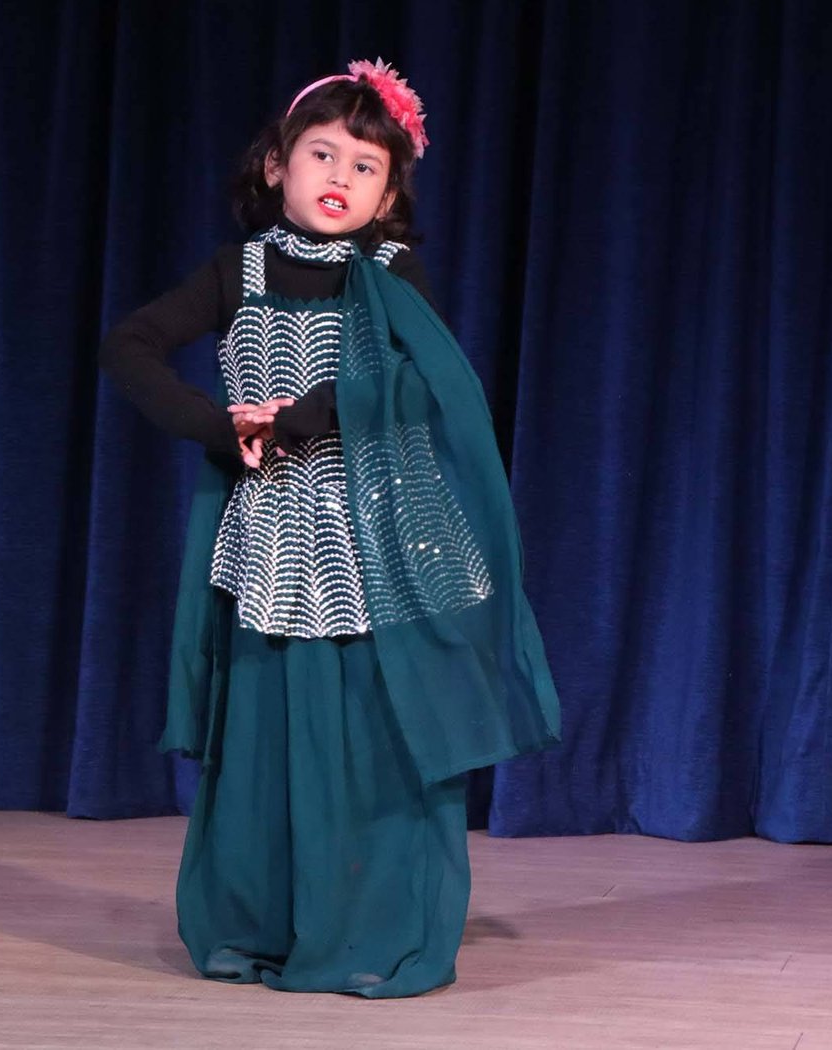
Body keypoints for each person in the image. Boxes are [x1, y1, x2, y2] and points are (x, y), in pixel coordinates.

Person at [99, 58, 560, 999]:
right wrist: (217, 425)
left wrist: (303, 418)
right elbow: (129, 345)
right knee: (267, 737)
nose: (340, 177)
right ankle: (259, 924)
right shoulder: (238, 270)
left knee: (372, 742)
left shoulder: (388, 274)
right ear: (277, 163)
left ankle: (368, 930)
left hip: (377, 548)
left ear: (389, 196)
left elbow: (426, 382)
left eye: (365, 166)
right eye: (322, 154)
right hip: (270, 549)